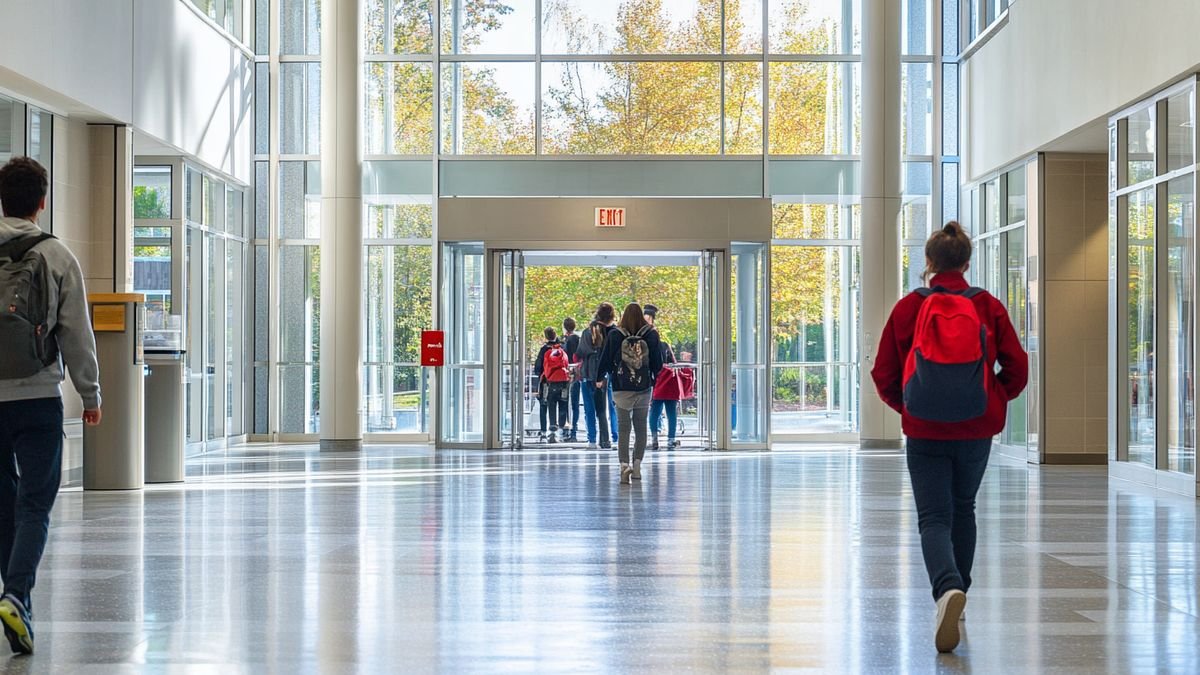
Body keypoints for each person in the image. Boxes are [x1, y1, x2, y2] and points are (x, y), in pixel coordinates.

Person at [870, 221, 1027, 654]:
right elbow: (1018, 367)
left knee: (933, 517)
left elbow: (882, 372)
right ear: (967, 262)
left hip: (924, 429)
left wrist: (909, 407)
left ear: (928, 263)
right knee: (964, 508)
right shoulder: (987, 306)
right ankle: (960, 596)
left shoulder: (908, 308)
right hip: (976, 426)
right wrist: (993, 398)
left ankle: (947, 591)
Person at [0, 157, 102, 655]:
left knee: (3, 503)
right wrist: (91, 394)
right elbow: (76, 333)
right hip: (37, 395)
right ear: (42, 201)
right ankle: (16, 594)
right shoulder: (57, 255)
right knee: (35, 503)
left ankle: (18, 606)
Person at [598, 303, 663, 485]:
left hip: (620, 387)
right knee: (641, 426)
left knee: (624, 427)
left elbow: (605, 359)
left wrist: (601, 376)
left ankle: (623, 465)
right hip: (643, 387)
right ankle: (637, 466)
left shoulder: (615, 335)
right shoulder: (651, 334)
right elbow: (658, 364)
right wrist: (651, 376)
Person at [577, 303, 619, 449]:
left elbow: (580, 352)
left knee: (590, 409)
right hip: (606, 375)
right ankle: (612, 437)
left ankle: (592, 439)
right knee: (610, 408)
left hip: (588, 374)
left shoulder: (587, 332)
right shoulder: (612, 332)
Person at [643, 305, 679, 450]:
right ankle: (671, 439)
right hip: (669, 381)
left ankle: (654, 437)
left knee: (655, 410)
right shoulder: (664, 345)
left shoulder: (643, 341)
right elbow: (673, 362)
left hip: (657, 381)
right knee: (671, 411)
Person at [533, 327, 571, 444]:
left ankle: (545, 433)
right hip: (563, 382)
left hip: (547, 383)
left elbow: (537, 368)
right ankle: (562, 432)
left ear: (546, 336)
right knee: (563, 405)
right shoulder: (562, 348)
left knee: (545, 405)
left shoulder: (544, 349)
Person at [562, 317, 581, 442]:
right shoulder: (579, 339)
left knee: (566, 402)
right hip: (577, 373)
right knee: (575, 404)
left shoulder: (566, 341)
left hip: (567, 374)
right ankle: (574, 429)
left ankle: (567, 430)